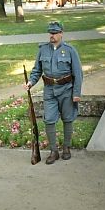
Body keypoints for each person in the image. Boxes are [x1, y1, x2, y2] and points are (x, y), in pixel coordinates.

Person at [27, 21, 84, 163]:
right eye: (50, 33)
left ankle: (66, 148)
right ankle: (54, 151)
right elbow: (37, 70)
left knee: (68, 118)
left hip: (66, 90)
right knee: (49, 120)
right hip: (49, 90)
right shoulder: (43, 49)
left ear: (61, 33)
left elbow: (78, 73)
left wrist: (76, 93)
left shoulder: (70, 50)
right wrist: (31, 82)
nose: (51, 35)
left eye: (54, 33)